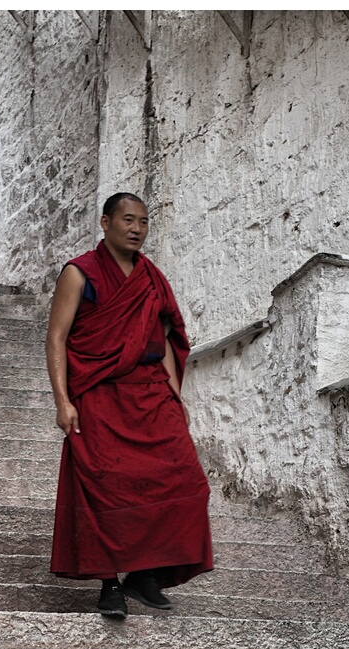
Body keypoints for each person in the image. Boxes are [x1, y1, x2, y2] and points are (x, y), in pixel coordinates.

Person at [45, 192, 213, 617]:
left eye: (143, 222)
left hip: (151, 392)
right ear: (105, 223)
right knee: (106, 488)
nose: (137, 229)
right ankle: (109, 585)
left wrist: (176, 397)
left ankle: (144, 574)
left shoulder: (151, 278)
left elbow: (163, 340)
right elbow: (57, 338)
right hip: (100, 392)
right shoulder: (79, 273)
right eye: (128, 220)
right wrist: (63, 401)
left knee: (186, 482)